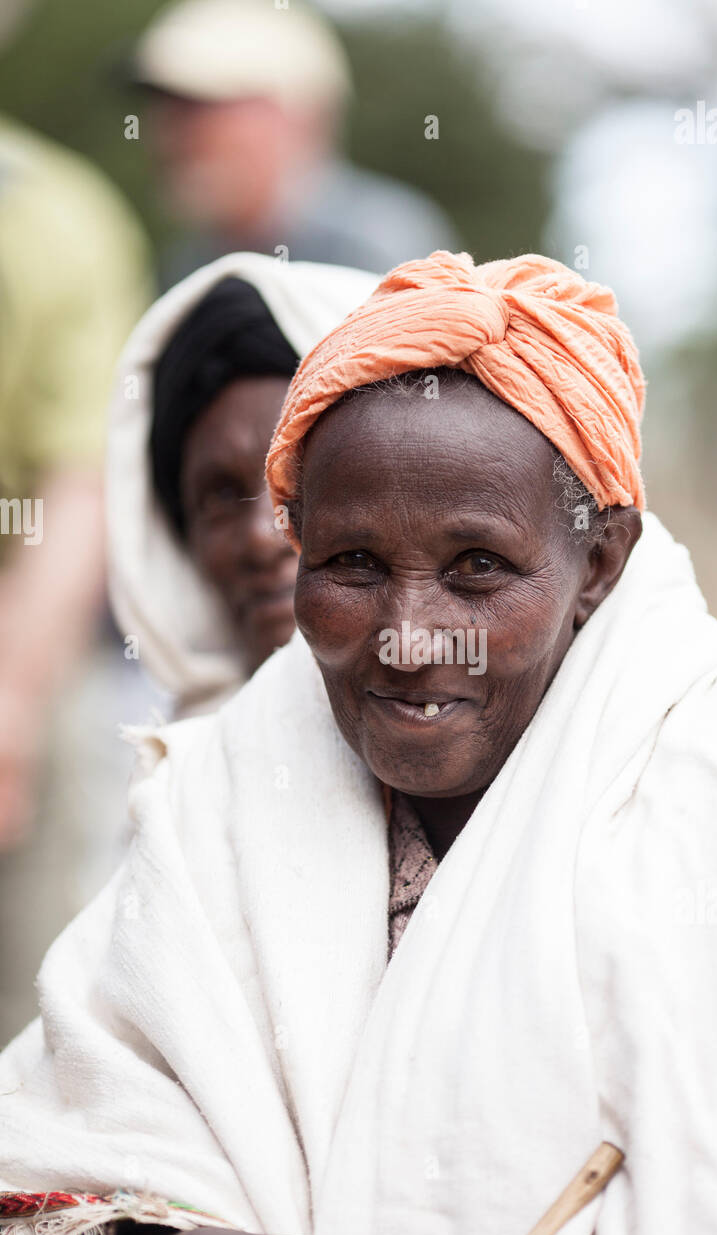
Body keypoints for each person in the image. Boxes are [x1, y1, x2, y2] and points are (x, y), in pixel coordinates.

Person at [1, 251, 717, 1235]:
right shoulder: (225, 786)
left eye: (478, 570)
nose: (412, 641)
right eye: (352, 564)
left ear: (598, 562)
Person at [0, 113, 151, 1042]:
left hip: (21, 625)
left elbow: (75, 481)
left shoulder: (52, 218)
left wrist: (13, 697)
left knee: (33, 989)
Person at [106, 252, 377, 718]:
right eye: (220, 497)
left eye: (301, 477)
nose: (260, 535)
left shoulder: (524, 759)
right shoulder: (177, 779)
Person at [127, 0, 458, 283]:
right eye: (165, 112)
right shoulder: (187, 264)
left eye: (199, 110)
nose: (170, 135)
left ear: (298, 118)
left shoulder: (382, 245)